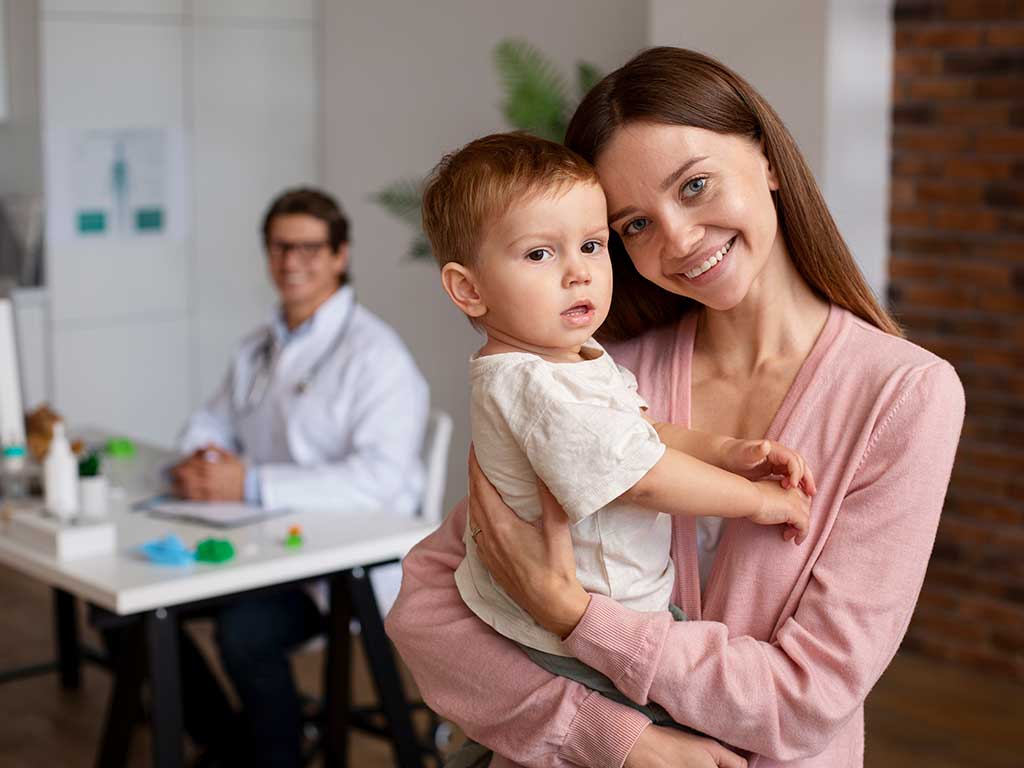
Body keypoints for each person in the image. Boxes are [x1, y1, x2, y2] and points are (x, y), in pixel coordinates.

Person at [386, 48, 964, 768]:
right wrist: (618, 741)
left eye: (694, 186)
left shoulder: (903, 395)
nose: (679, 240)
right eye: (634, 225)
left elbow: (804, 699)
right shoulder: (594, 377)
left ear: (768, 157)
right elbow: (428, 613)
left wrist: (573, 615)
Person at [419, 132, 813, 746]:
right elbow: (642, 476)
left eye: (592, 244)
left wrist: (727, 452)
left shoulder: (569, 360)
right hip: (577, 642)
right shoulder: (531, 383)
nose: (578, 271)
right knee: (701, 737)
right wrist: (761, 500)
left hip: (617, 616)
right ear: (469, 290)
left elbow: (641, 435)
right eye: (539, 255)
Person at [171, 187, 429, 768]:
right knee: (124, 614)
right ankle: (231, 742)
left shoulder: (376, 355)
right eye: (280, 247)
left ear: (340, 255)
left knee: (244, 634)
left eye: (309, 248)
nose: (292, 262)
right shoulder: (260, 346)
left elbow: (380, 481)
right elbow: (213, 418)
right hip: (258, 542)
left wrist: (252, 483)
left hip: (334, 566)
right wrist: (203, 456)